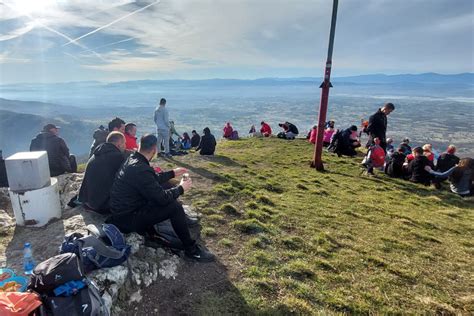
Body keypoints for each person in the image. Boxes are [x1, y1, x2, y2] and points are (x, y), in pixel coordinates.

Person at [108, 134, 215, 262]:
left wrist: (173, 173)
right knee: (174, 207)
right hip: (128, 219)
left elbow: (151, 179)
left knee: (165, 191)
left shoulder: (133, 159)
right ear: (154, 149)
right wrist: (181, 188)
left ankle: (165, 230)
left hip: (123, 212)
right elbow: (162, 199)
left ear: (139, 145)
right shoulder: (140, 168)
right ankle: (191, 250)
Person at [79, 132, 126, 213]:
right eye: (124, 143)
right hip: (100, 206)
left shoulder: (98, 152)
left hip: (87, 200)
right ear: (119, 144)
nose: (125, 146)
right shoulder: (117, 157)